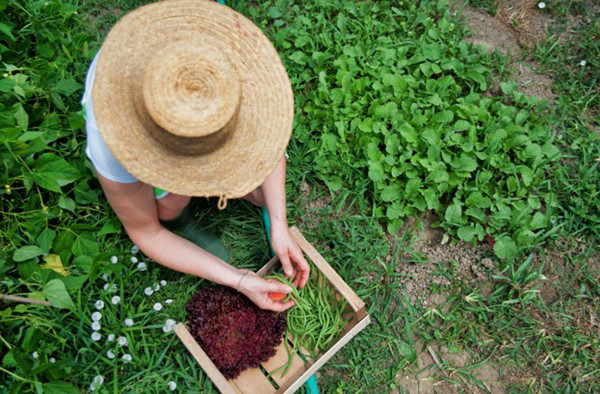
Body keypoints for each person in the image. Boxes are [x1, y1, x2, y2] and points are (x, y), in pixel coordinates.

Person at [81, 0, 309, 312]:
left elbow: (267, 142)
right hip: (140, 140)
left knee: (254, 186)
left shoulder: (229, 67)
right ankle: (184, 217)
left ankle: (238, 189)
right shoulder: (111, 140)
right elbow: (146, 231)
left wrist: (280, 225)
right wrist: (237, 279)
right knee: (168, 205)